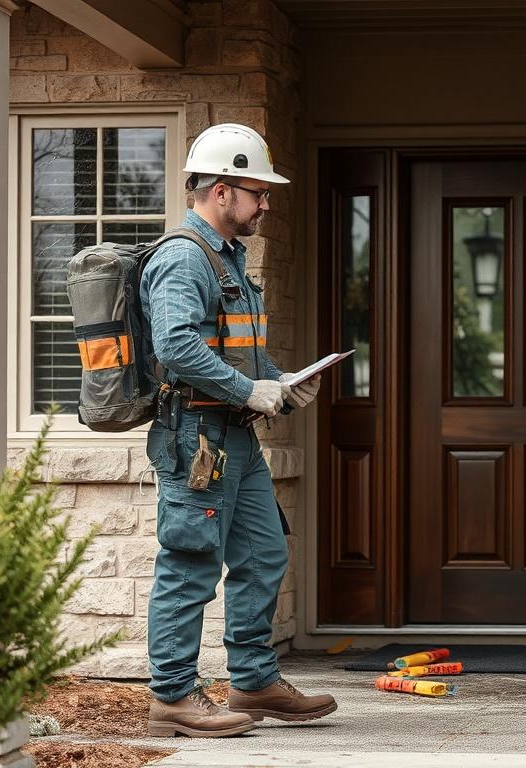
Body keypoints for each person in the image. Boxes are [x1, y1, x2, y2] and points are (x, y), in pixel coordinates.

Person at [141, 123, 335, 738]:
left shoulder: (228, 258)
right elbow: (173, 344)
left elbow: (237, 354)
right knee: (191, 561)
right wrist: (250, 390)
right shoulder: (181, 257)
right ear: (222, 191)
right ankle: (172, 696)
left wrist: (282, 383)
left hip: (237, 436)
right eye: (258, 192)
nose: (266, 204)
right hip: (197, 437)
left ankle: (254, 680)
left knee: (264, 552)